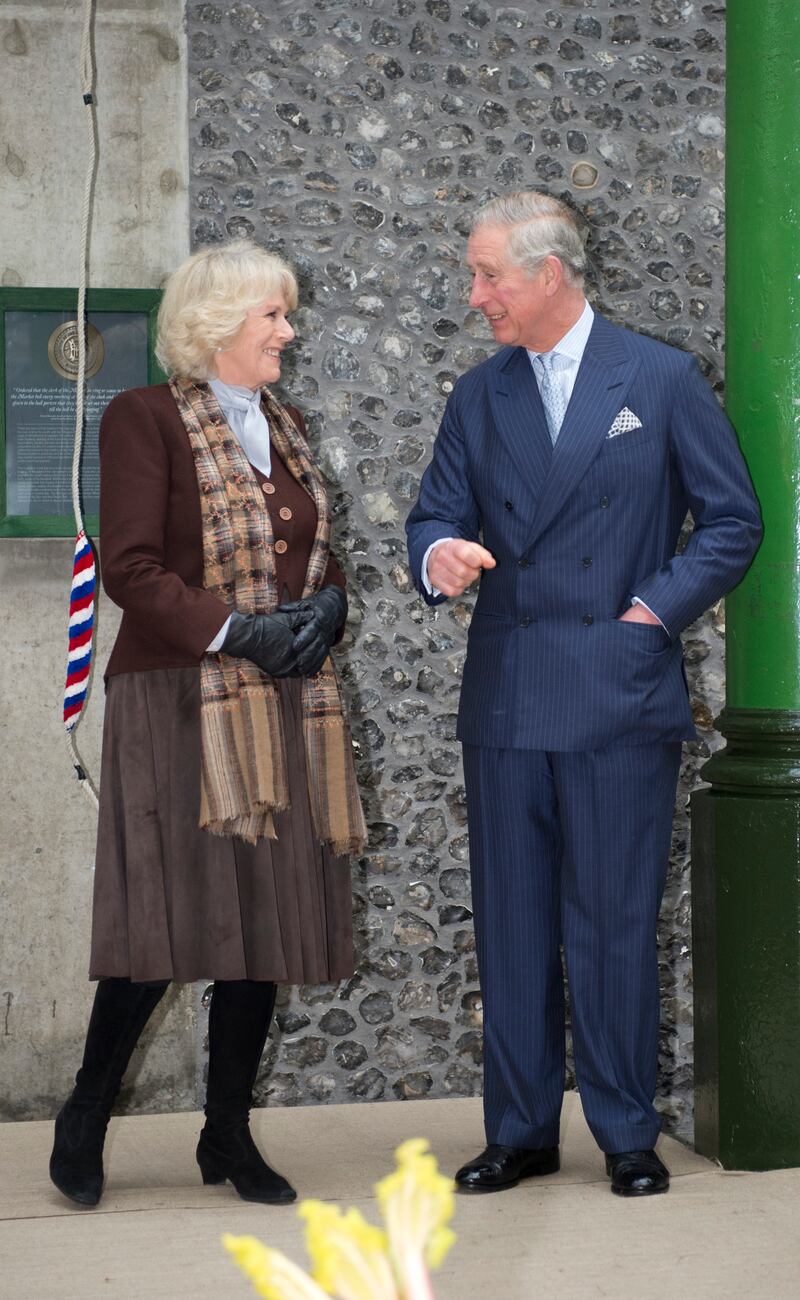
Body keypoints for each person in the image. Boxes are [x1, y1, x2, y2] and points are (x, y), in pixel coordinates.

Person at [406, 191, 762, 1197]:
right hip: (510, 694)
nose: (474, 296)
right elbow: (432, 509)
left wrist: (649, 610)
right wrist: (437, 553)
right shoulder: (479, 395)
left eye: (486, 276)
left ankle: (622, 1129)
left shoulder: (657, 377)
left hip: (616, 691)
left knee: (610, 922)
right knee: (512, 919)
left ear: (546, 273)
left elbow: (730, 522)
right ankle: (517, 1129)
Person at [50, 239, 366, 1208]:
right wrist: (238, 630)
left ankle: (225, 1132)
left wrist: (326, 612)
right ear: (218, 322)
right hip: (179, 697)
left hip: (280, 698)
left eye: (285, 313)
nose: (288, 329)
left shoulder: (286, 420)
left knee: (263, 915)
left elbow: (307, 555)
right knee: (166, 915)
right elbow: (132, 570)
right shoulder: (143, 418)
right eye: (273, 314)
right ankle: (87, 1109)